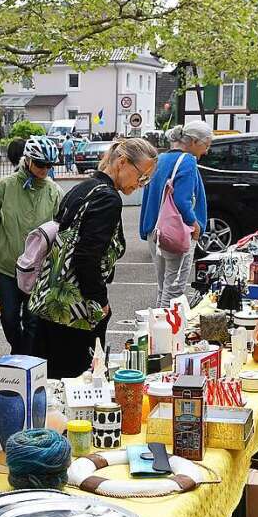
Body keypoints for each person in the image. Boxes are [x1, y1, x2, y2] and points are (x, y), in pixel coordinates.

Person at [31, 137, 158, 378]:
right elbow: (86, 257)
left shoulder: (83, 187)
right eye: (141, 175)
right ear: (122, 162)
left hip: (50, 302)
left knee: (51, 383)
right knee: (78, 383)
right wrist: (101, 303)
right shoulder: (107, 198)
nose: (142, 184)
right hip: (76, 313)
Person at [0, 136, 62, 355]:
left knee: (33, 319)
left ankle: (26, 360)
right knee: (9, 317)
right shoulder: (6, 186)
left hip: (38, 269)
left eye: (49, 165)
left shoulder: (55, 192)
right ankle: (20, 351)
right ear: (28, 160)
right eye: (40, 164)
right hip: (7, 265)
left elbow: (62, 231)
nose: (45, 170)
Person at [139, 121, 211, 308]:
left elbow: (148, 196)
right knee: (174, 292)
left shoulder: (160, 159)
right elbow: (182, 200)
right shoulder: (187, 161)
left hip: (155, 231)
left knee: (164, 288)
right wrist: (194, 225)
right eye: (206, 144)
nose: (207, 150)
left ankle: (155, 331)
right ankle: (165, 335)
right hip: (176, 233)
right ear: (194, 141)